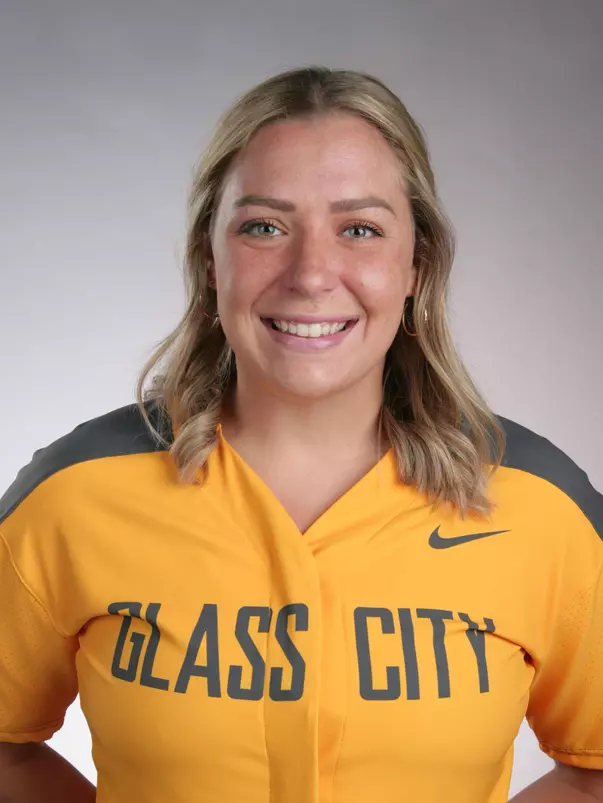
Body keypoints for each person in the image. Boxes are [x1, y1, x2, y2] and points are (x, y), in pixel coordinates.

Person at [0, 65, 601, 803]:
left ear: (415, 263)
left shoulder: (539, 502)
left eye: (359, 229)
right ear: (209, 261)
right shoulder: (74, 491)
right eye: (263, 227)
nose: (311, 273)